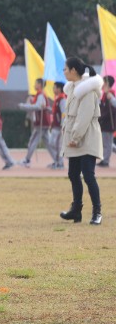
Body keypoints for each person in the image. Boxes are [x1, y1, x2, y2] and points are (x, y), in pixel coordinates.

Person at [59, 58, 103, 225]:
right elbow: (70, 116)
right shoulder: (72, 88)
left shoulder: (88, 90)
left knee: (88, 175)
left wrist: (75, 137)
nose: (64, 72)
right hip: (75, 139)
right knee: (73, 174)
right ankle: (76, 210)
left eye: (65, 69)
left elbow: (84, 117)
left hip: (86, 138)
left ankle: (97, 211)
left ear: (74, 70)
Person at [17, 78, 52, 168]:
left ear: (40, 85)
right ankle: (58, 161)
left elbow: (38, 106)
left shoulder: (41, 94)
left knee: (32, 141)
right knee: (49, 143)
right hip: (43, 122)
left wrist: (24, 106)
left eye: (36, 83)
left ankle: (27, 160)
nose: (34, 85)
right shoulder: (40, 94)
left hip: (41, 123)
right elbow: (39, 104)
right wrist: (32, 99)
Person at [97, 75, 116, 167]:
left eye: (103, 82)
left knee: (107, 143)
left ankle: (106, 161)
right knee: (106, 142)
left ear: (107, 83)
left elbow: (110, 110)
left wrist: (101, 117)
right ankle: (104, 159)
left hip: (109, 123)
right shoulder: (104, 95)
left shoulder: (110, 94)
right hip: (104, 122)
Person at [47, 82, 67, 170]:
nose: (53, 90)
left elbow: (64, 113)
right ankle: (57, 161)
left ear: (59, 89)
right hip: (55, 126)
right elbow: (55, 112)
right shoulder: (57, 99)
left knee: (57, 145)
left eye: (54, 88)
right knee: (52, 143)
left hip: (60, 127)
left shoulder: (62, 99)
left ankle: (60, 163)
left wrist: (63, 124)